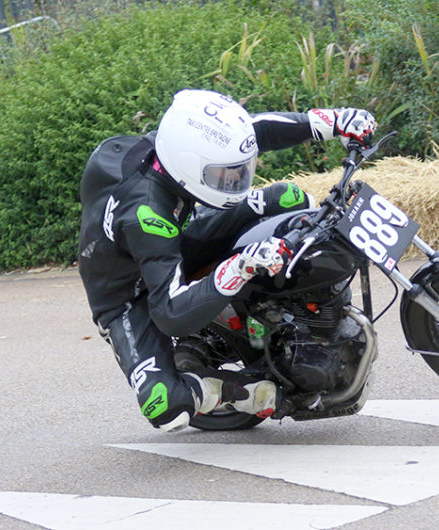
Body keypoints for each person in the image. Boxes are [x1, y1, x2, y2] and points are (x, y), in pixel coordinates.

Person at [78, 89, 376, 432]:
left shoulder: (174, 145)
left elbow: (253, 132)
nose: (235, 182)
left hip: (179, 236)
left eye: (237, 172)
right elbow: (171, 315)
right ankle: (248, 395)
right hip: (130, 295)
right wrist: (239, 266)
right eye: (223, 176)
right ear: (188, 169)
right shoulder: (146, 215)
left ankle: (313, 308)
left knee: (287, 197)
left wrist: (333, 122)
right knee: (163, 404)